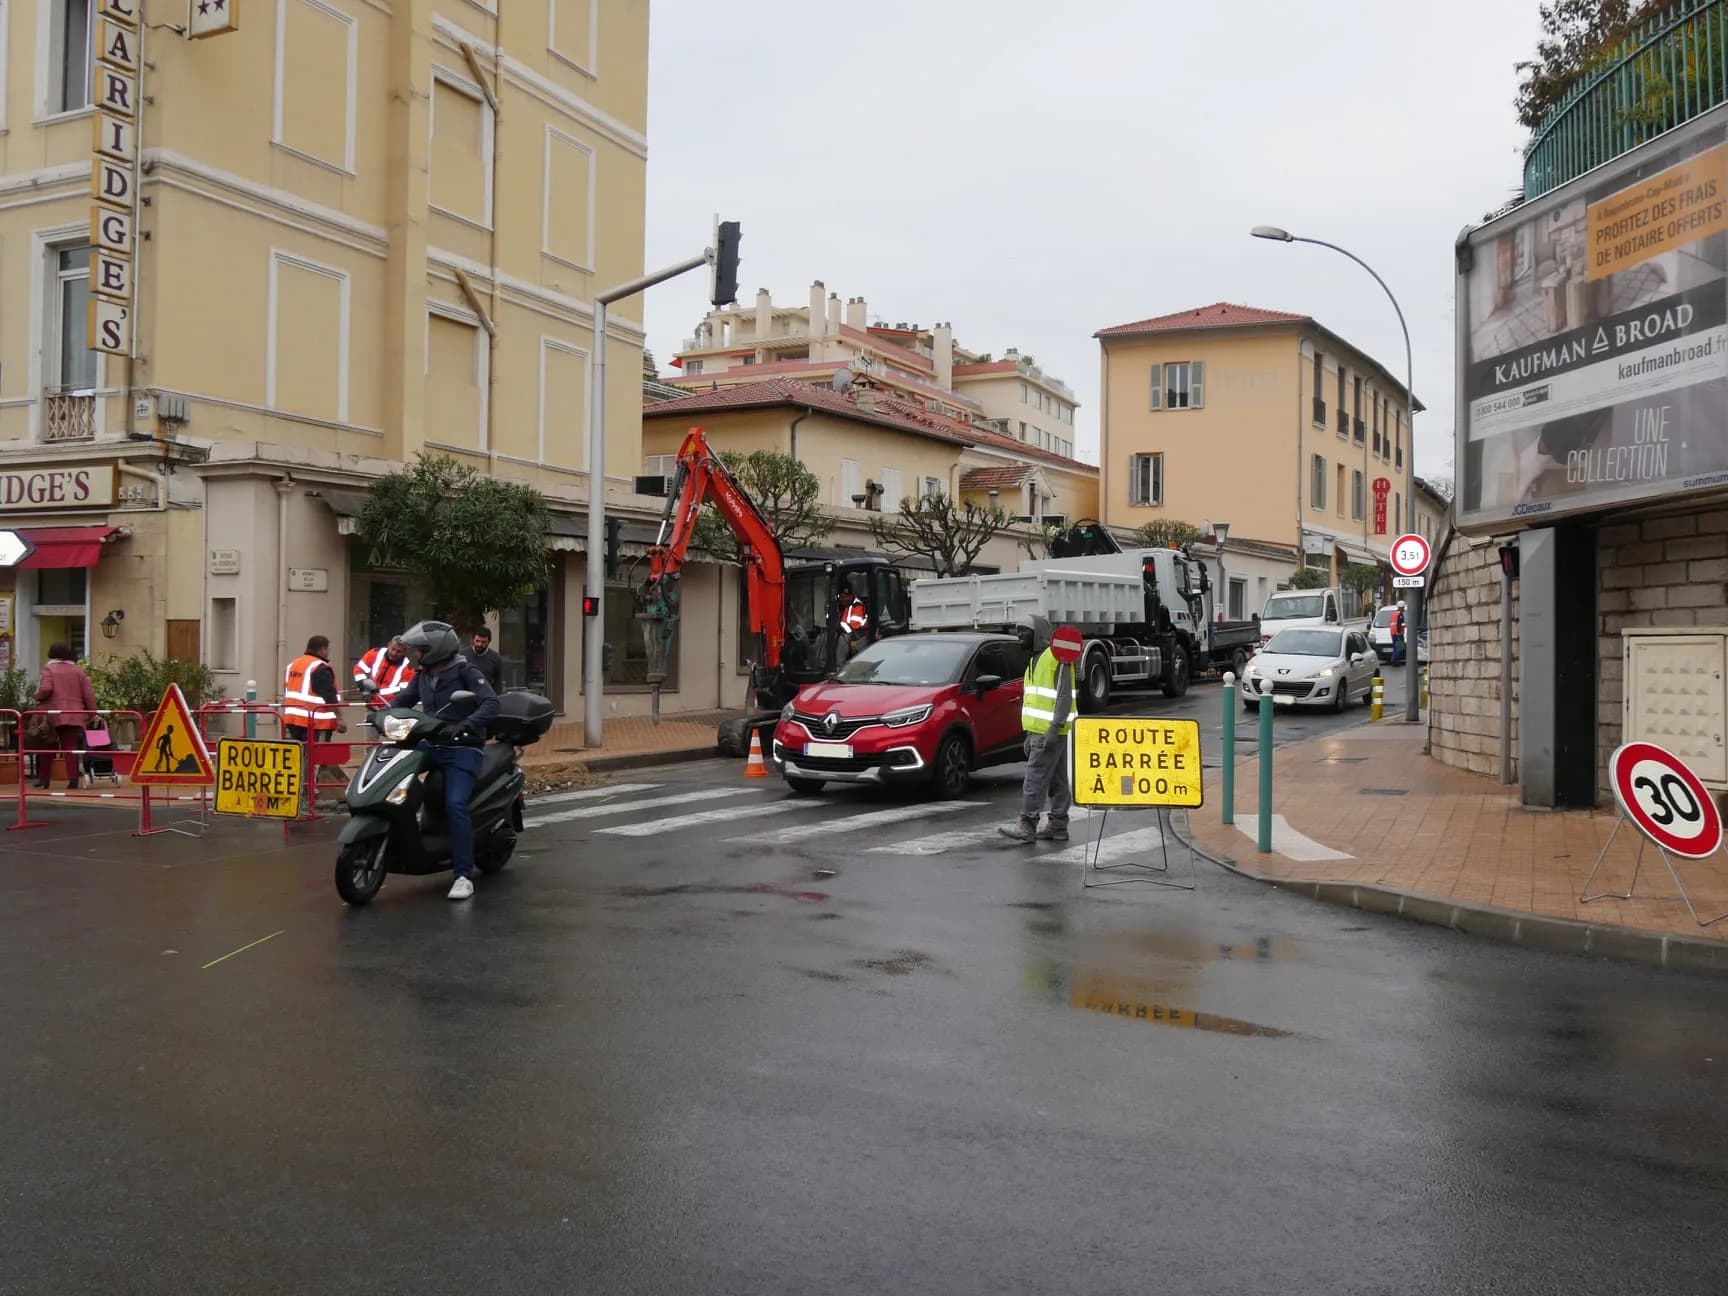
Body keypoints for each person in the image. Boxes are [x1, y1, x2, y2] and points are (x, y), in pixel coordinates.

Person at [395, 621, 500, 902]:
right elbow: (402, 700)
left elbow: (491, 703)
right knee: (396, 775)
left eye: (418, 651)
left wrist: (466, 724)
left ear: (435, 651)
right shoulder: (422, 675)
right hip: (432, 744)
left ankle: (463, 875)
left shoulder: (466, 670)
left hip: (462, 748)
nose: (414, 656)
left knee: (455, 803)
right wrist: (381, 714)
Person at [1000, 614, 1075, 844]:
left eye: (1024, 630)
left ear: (1039, 634)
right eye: (1017, 629)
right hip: (1043, 732)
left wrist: (1054, 727)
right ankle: (1058, 824)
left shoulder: (1056, 656)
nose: (1019, 634)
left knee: (1034, 778)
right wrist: (1028, 734)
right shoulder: (1035, 660)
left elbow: (1064, 695)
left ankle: (1028, 824)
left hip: (1049, 731)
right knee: (1057, 780)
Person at [284, 635, 348, 798]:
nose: (328, 653)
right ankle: (308, 790)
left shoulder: (293, 665)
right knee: (311, 756)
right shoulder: (320, 667)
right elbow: (329, 695)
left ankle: (298, 789)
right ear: (322, 649)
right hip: (314, 720)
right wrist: (339, 718)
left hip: (292, 718)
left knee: (298, 754)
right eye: (327, 649)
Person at [32, 644, 96, 790]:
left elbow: (46, 689)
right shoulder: (78, 671)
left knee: (47, 747)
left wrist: (38, 695)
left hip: (52, 715)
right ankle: (73, 779)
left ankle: (44, 779)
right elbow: (88, 694)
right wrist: (93, 713)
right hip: (74, 714)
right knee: (70, 747)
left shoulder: (49, 669)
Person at [354, 637, 415, 712]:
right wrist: (364, 686)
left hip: (393, 708)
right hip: (371, 705)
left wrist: (388, 705)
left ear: (405, 652)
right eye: (393, 649)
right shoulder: (375, 653)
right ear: (389, 645)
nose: (394, 653)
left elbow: (404, 691)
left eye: (398, 651)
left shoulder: (408, 667)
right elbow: (358, 669)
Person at [469, 626, 505, 694]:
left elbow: (497, 683)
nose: (479, 644)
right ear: (473, 640)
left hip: (486, 696)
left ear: (489, 642)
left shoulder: (496, 658)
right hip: (466, 697)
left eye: (483, 642)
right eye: (477, 641)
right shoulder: (463, 656)